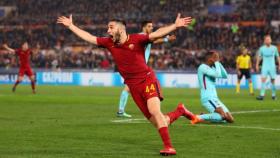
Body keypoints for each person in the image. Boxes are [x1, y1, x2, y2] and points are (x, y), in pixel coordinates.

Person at [57, 13, 195, 156]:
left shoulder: (137, 39)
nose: (108, 31)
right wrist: (71, 26)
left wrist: (174, 25)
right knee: (159, 122)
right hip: (133, 86)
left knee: (154, 110)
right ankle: (180, 111)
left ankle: (169, 147)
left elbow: (155, 35)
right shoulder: (109, 43)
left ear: (121, 29)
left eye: (111, 27)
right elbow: (90, 38)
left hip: (147, 80)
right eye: (108, 28)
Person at [117, 20, 176, 118]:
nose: (151, 28)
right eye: (149, 26)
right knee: (129, 89)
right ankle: (121, 111)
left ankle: (122, 110)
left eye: (152, 26)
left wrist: (166, 39)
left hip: (138, 68)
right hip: (136, 69)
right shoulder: (141, 37)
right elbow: (155, 39)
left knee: (130, 89)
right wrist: (166, 39)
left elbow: (154, 40)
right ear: (144, 27)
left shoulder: (144, 37)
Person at [192, 50, 234, 124]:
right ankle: (198, 117)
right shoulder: (202, 67)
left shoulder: (213, 68)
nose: (216, 58)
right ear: (209, 58)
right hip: (207, 97)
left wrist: (218, 63)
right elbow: (217, 74)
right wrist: (217, 62)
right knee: (222, 116)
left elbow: (225, 75)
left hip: (215, 98)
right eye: (215, 57)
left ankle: (204, 116)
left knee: (230, 119)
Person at [256, 35, 280, 100]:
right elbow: (259, 57)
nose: (268, 41)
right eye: (266, 39)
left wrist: (279, 65)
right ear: (264, 41)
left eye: (269, 39)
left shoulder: (274, 48)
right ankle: (262, 95)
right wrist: (257, 65)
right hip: (264, 66)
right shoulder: (262, 48)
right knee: (263, 79)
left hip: (272, 66)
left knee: (273, 81)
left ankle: (273, 95)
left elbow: (277, 57)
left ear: (271, 40)